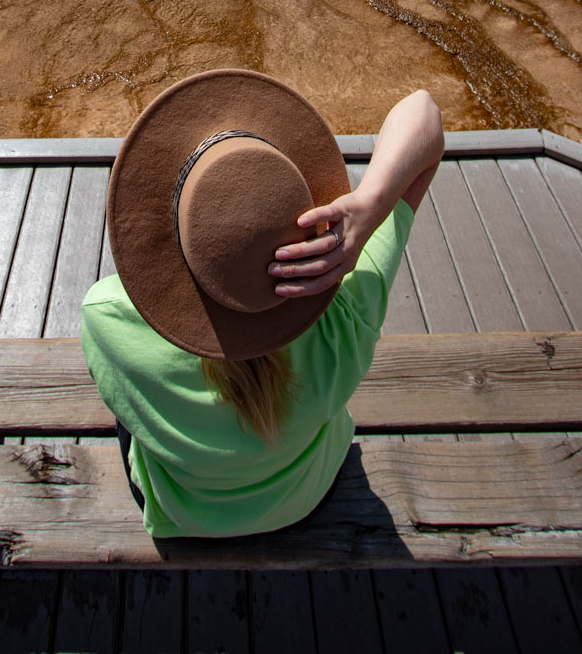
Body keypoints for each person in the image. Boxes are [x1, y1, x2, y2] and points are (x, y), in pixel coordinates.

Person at [80, 68, 443, 539]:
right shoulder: (347, 309)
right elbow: (424, 114)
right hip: (307, 496)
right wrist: (371, 204)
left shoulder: (109, 318)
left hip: (181, 512)